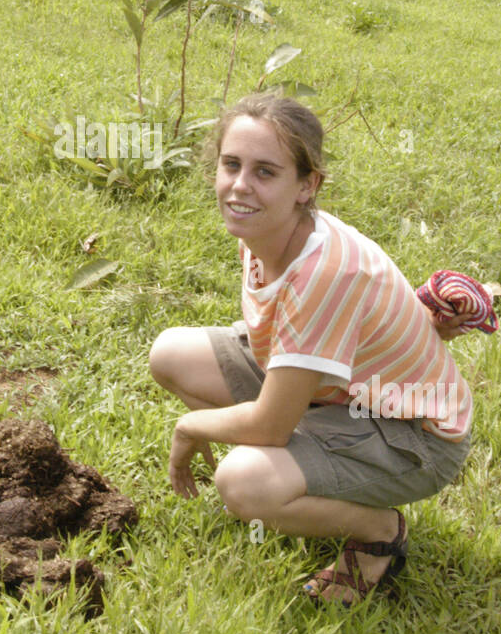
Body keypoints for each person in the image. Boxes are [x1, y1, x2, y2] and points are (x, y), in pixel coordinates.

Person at [149, 93, 475, 606]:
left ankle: (378, 533)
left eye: (265, 172)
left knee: (243, 483)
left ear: (307, 186)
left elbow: (271, 425)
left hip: (415, 437)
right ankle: (294, 480)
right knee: (170, 353)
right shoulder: (265, 226)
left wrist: (190, 426)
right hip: (338, 393)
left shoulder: (324, 273)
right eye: (231, 165)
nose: (239, 186)